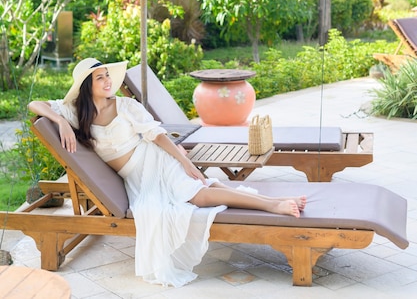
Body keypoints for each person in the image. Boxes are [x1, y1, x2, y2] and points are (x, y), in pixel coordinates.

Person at [28, 58, 306, 288]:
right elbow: (35, 106)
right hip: (137, 176)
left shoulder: (126, 106)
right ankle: (273, 203)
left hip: (155, 159)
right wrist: (60, 121)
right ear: (87, 85)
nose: (108, 81)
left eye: (107, 75)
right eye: (100, 78)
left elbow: (156, 135)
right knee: (201, 191)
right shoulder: (76, 112)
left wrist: (184, 161)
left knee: (197, 195)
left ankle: (274, 205)